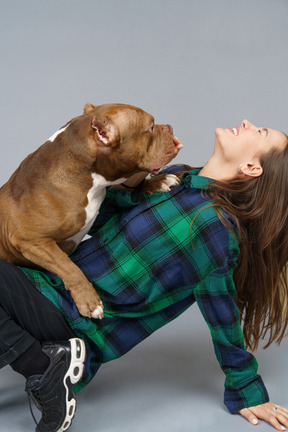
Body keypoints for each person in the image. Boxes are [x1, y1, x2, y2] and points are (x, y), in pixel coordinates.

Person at [0, 119, 288, 432]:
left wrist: (246, 389)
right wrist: (133, 175)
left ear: (251, 167)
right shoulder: (175, 177)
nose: (247, 123)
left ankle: (44, 367)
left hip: (74, 321)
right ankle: (45, 365)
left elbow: (222, 310)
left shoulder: (213, 227)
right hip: (47, 286)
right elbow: (95, 222)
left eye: (260, 132)